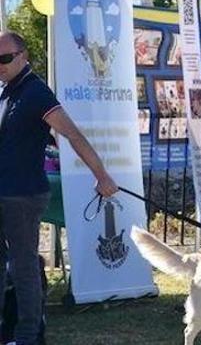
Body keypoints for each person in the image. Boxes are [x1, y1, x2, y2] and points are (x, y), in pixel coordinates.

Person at [0, 31, 118, 345]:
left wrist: (102, 175)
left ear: (23, 56)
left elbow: (73, 135)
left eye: (5, 58)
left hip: (23, 194)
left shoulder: (36, 91)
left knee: (23, 265)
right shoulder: (6, 90)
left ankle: (28, 334)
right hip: (4, 191)